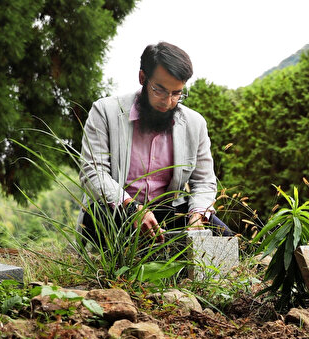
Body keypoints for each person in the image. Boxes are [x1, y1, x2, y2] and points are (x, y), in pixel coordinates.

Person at [78, 41, 232, 245]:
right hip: (117, 210)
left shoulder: (195, 123)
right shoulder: (105, 112)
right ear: (143, 78)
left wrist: (197, 215)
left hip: (168, 212)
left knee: (227, 241)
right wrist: (132, 208)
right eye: (159, 90)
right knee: (110, 228)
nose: (168, 102)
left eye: (177, 93)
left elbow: (204, 182)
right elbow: (93, 174)